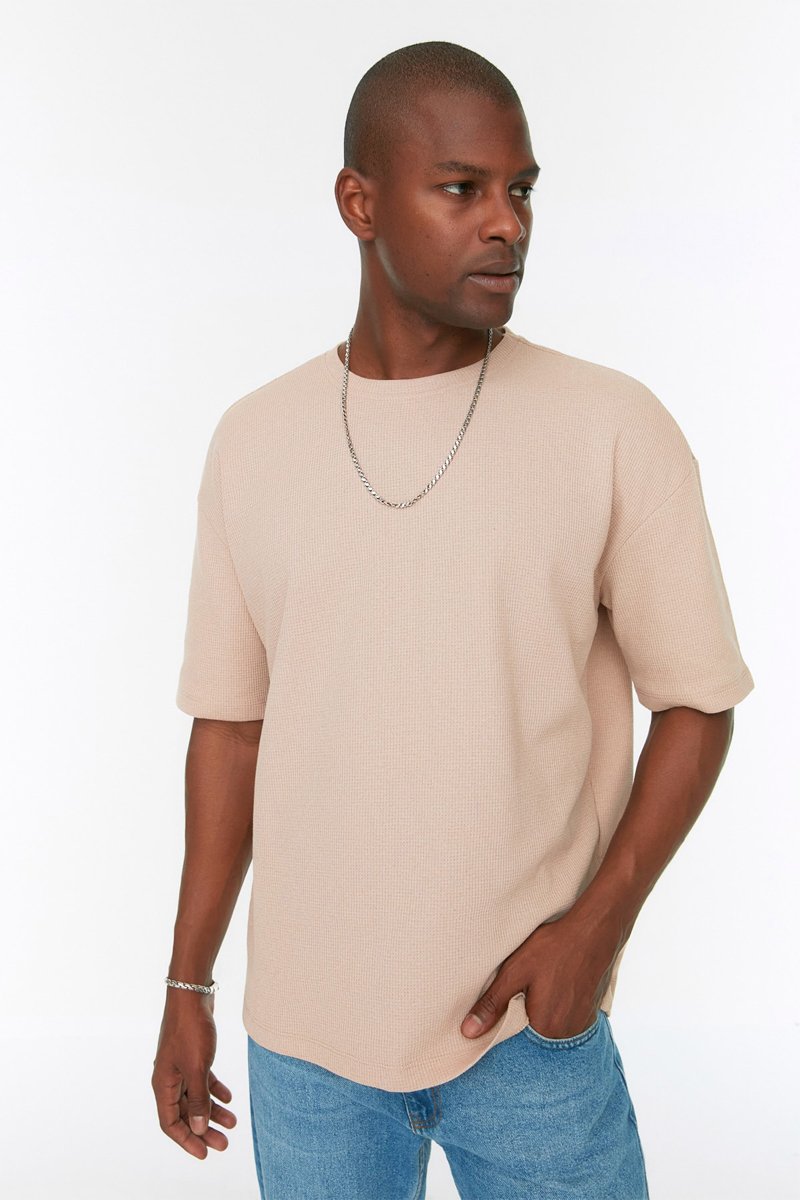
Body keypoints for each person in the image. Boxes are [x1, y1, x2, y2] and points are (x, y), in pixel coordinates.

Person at [151, 40, 755, 1200]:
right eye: (461, 188)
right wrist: (188, 984)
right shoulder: (254, 441)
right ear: (359, 202)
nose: (506, 224)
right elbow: (228, 731)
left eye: (520, 189)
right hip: (307, 1051)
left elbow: (696, 702)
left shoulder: (609, 425)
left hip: (528, 1037)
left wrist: (595, 931)